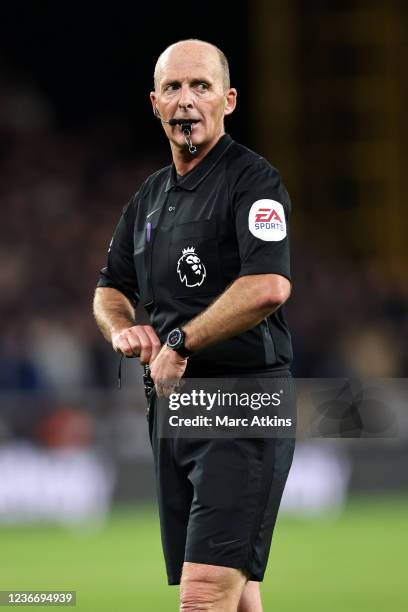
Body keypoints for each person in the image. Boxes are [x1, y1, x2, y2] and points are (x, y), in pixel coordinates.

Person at [93, 39, 295, 612]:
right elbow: (110, 286)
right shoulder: (149, 198)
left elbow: (268, 286)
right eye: (174, 88)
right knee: (238, 594)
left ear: (228, 100)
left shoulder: (253, 181)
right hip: (176, 411)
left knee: (204, 593)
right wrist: (121, 328)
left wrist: (180, 340)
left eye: (201, 86)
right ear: (155, 104)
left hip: (243, 403)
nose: (186, 100)